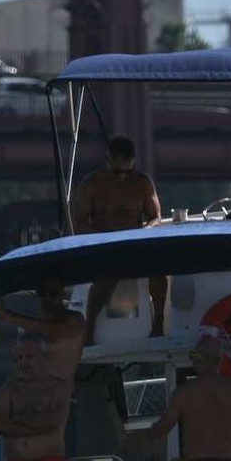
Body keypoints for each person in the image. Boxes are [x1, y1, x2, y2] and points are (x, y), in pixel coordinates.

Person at [73, 136, 167, 343]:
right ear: (107, 161)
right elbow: (78, 223)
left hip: (135, 242)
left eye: (128, 171)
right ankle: (88, 332)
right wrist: (104, 239)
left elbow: (156, 217)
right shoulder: (90, 185)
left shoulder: (142, 183)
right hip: (105, 244)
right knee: (108, 276)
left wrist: (144, 231)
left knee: (160, 269)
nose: (123, 177)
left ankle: (159, 323)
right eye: (117, 172)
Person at [0, 278, 86, 385]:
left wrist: (6, 315)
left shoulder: (75, 319)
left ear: (62, 294)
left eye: (53, 293)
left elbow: (53, 330)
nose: (47, 298)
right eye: (43, 293)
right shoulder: (31, 325)